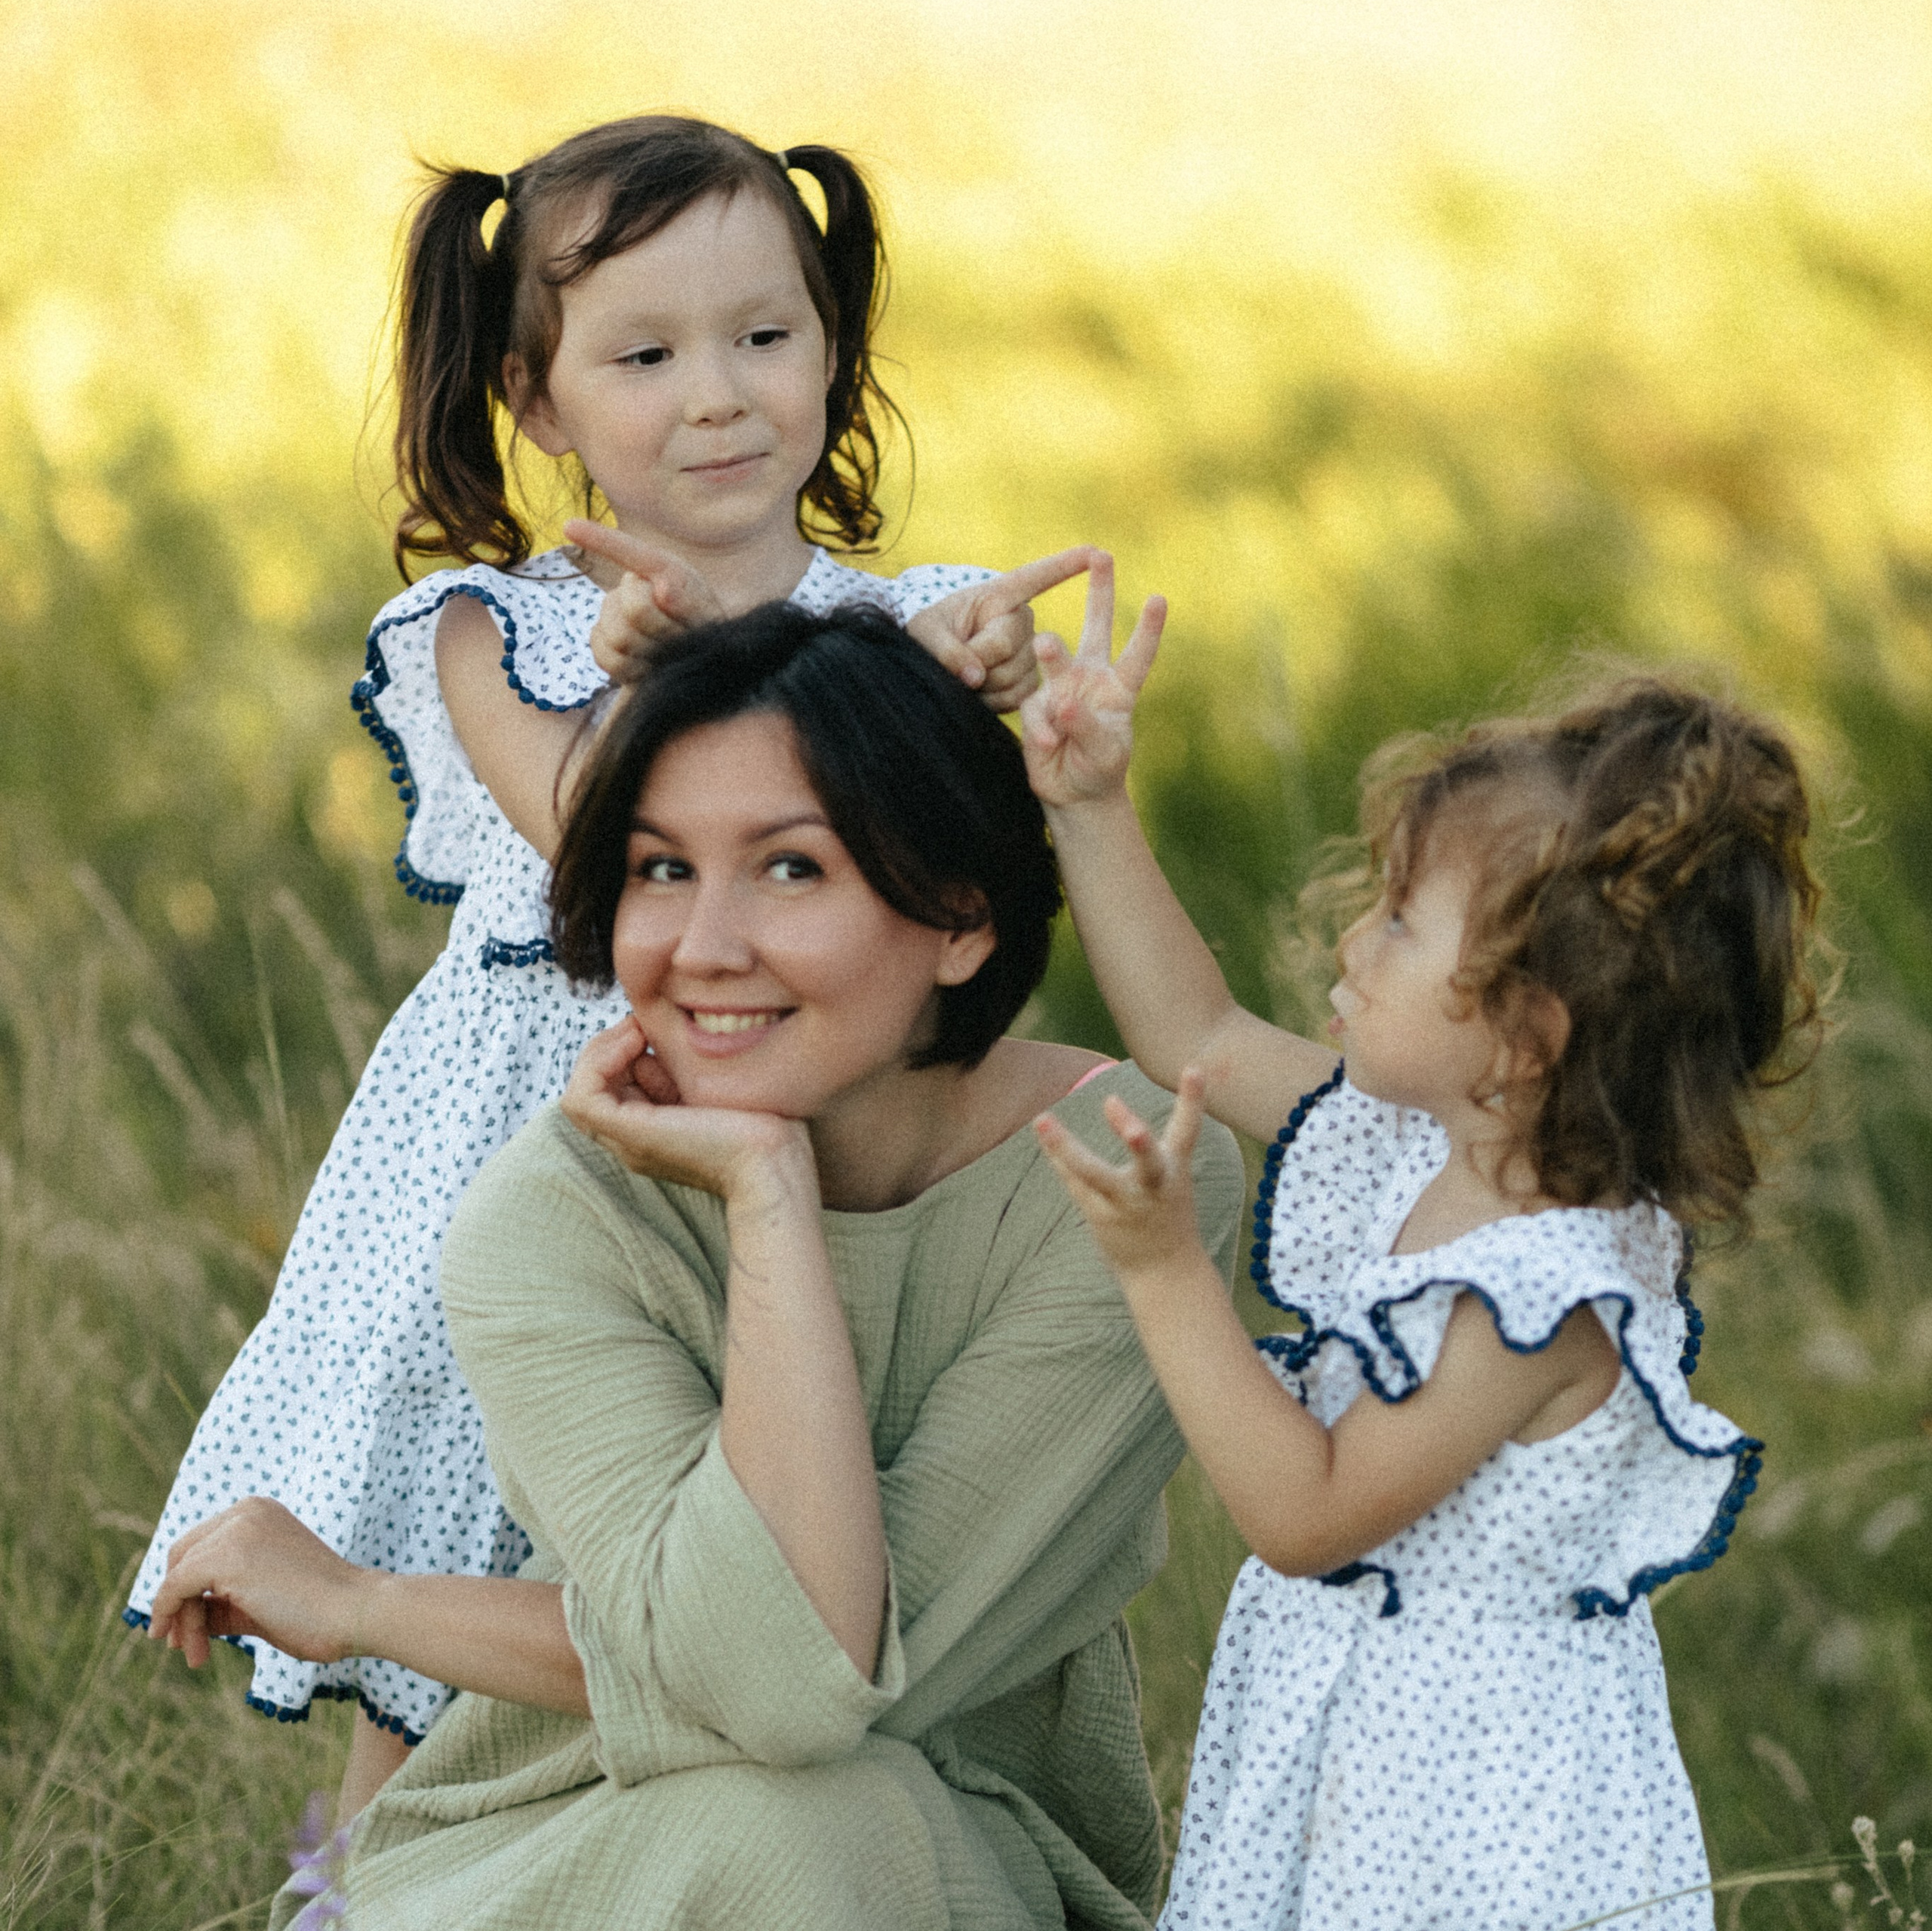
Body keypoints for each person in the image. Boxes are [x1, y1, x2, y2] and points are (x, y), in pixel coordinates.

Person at [125, 110, 1088, 1817]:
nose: (715, 393)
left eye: (763, 337)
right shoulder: (496, 631)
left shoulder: (909, 621)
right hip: (545, 1145)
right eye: (644, 353)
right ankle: (365, 1894)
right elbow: (602, 845)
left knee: (726, 1578)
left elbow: (944, 856)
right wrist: (688, 681)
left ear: (832, 348)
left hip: (795, 1155)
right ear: (537, 398)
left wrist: (967, 697)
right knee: (445, 1654)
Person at [146, 600, 1246, 1930]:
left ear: (961, 915)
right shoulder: (550, 1219)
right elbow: (773, 1685)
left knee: (816, 1823)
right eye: (660, 870)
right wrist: (767, 1191)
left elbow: (809, 1688)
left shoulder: (1119, 1186)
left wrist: (378, 1605)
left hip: (953, 1853)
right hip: (549, 1846)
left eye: (790, 870)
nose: (703, 947)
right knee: (797, 1828)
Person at [1020, 562, 1820, 1929]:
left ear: (1525, 1034)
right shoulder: (1414, 1144)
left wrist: (1166, 1274)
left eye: (1398, 919)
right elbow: (1195, 1036)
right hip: (1355, 1754)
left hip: (1471, 1823)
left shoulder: (1552, 1292)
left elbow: (1308, 1516)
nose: (1351, 938)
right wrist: (1090, 804)